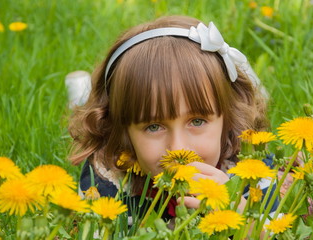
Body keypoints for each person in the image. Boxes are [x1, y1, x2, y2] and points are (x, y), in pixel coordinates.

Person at [68, 15, 277, 222]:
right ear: (123, 131)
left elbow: (276, 230)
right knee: (89, 109)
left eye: (197, 121)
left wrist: (245, 222)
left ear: (228, 119)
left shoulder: (252, 170)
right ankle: (80, 96)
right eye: (154, 126)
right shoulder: (107, 176)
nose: (178, 149)